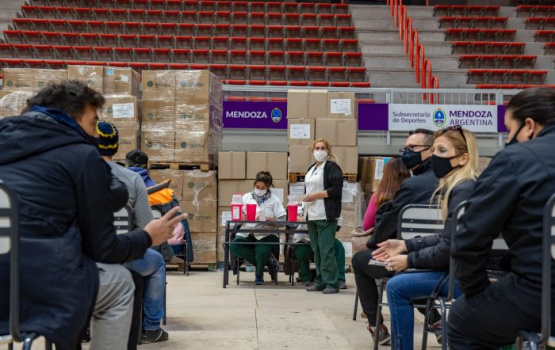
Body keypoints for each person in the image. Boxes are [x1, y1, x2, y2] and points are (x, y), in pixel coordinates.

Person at [0, 80, 184, 350]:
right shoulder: (81, 156)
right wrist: (147, 236)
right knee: (122, 283)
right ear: (74, 116)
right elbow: (105, 251)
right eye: (92, 123)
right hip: (37, 291)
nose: (95, 135)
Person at [448, 87, 555, 349]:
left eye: (509, 129)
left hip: (541, 294)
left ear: (528, 126)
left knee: (462, 321)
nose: (509, 138)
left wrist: (477, 290)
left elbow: (470, 238)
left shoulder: (516, 159)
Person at [375, 125, 478, 350]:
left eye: (441, 151)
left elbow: (447, 249)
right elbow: (448, 237)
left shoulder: (462, 191)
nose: (434, 156)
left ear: (463, 158)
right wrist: (406, 244)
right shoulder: (465, 186)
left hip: (466, 277)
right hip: (464, 269)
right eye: (434, 151)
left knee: (396, 286)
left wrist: (409, 260)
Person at [351, 129, 438, 345]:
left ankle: (376, 325)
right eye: (405, 148)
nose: (406, 153)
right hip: (446, 260)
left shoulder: (412, 186)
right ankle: (436, 322)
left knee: (360, 261)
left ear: (431, 150)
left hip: (412, 260)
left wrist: (373, 242)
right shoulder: (453, 182)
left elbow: (383, 232)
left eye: (412, 148)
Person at [96, 121, 168, 344]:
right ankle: (151, 328)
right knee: (157, 263)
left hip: (84, 258)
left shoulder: (74, 175)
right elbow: (146, 227)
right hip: (122, 254)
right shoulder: (132, 179)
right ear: (116, 148)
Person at [303, 139, 344, 294]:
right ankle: (320, 280)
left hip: (325, 214)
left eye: (323, 148)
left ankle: (332, 283)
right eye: (317, 148)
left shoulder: (332, 167)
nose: (319, 151)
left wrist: (316, 196)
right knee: (316, 249)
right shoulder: (312, 168)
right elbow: (307, 189)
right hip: (311, 214)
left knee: (326, 249)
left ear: (328, 151)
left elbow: (336, 189)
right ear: (313, 150)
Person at [229, 171, 285, 285]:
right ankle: (269, 263)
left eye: (263, 187)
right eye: (257, 187)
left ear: (268, 187)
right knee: (234, 245)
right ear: (254, 185)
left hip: (267, 233)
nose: (259, 189)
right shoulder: (246, 197)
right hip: (247, 232)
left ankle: (259, 275)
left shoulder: (274, 200)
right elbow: (236, 215)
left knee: (262, 250)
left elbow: (282, 221)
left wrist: (272, 220)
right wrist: (242, 217)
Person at [362, 157, 410, 232]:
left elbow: (366, 226)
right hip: (408, 241)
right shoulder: (413, 195)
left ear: (385, 176)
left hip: (382, 241)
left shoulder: (379, 196)